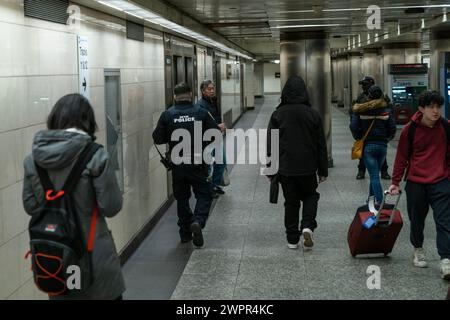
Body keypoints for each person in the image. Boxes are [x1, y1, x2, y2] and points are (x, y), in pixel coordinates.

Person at [22, 93, 125, 300]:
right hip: (95, 258)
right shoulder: (96, 155)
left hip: (56, 259)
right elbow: (111, 206)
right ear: (87, 120)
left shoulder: (33, 160)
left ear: (55, 118)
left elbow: (31, 206)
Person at [388, 91, 450, 279]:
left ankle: (446, 259)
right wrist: (395, 182)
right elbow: (401, 158)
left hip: (441, 181)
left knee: (444, 221)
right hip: (416, 183)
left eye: (438, 107)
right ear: (421, 109)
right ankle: (418, 248)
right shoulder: (410, 129)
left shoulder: (446, 128)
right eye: (431, 107)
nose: (436, 111)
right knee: (417, 220)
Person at [153, 83, 219, 248]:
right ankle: (198, 221)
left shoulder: (167, 115)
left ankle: (184, 234)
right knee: (204, 194)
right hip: (198, 163)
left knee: (182, 198)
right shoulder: (201, 113)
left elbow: (158, 139)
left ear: (175, 96)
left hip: (178, 164)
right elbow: (215, 135)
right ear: (190, 94)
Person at [266, 75, 328, 250]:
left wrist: (271, 170)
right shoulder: (313, 114)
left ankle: (292, 239)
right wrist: (323, 170)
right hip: (308, 167)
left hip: (286, 168)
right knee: (311, 196)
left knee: (291, 202)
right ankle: (307, 226)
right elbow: (321, 145)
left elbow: (272, 143)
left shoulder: (278, 114)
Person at [350, 85, 396, 206]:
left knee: (374, 175)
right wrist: (386, 139)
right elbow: (392, 128)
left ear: (369, 96)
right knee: (374, 173)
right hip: (382, 146)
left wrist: (359, 137)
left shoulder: (361, 109)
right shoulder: (386, 110)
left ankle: (380, 202)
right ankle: (370, 199)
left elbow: (353, 126)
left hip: (368, 146)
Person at [351, 76, 391, 180]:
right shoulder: (361, 97)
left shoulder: (382, 96)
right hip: (364, 129)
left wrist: (387, 133)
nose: (363, 86)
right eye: (362, 84)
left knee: (380, 153)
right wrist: (357, 132)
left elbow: (389, 109)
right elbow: (354, 112)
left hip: (380, 130)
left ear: (371, 84)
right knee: (362, 152)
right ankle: (361, 171)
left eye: (365, 84)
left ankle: (384, 171)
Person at [196, 80, 227, 197]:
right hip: (207, 139)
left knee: (221, 161)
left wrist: (220, 127)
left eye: (213, 88)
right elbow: (200, 124)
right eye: (209, 89)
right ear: (203, 91)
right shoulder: (200, 106)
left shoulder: (213, 102)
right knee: (208, 165)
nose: (212, 91)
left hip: (216, 136)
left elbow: (215, 118)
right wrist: (217, 126)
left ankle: (215, 184)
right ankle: (208, 188)